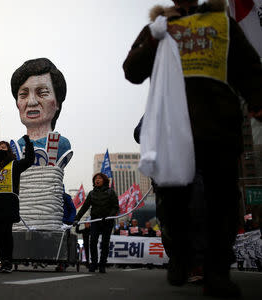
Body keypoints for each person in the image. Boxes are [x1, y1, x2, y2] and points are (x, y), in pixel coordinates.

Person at [123, 0, 262, 296]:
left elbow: (249, 68)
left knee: (221, 203)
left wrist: (258, 103)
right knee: (173, 202)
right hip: (173, 132)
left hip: (218, 127)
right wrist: (153, 36)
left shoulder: (221, 22)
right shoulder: (159, 27)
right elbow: (132, 70)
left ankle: (216, 272)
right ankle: (180, 256)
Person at [0, 138, 35, 273]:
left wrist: (29, 144)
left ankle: (8, 262)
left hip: (7, 203)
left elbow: (30, 160)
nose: (1, 149)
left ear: (9, 151)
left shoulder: (14, 165)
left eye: (4, 147)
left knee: (6, 232)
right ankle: (3, 261)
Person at [11, 58, 71, 160]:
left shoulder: (61, 145)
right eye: (23, 95)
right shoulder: (14, 149)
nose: (32, 102)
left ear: (57, 102)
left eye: (42, 93)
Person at [73, 173, 119, 273]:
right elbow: (84, 207)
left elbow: (116, 207)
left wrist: (109, 216)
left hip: (107, 221)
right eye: (95, 179)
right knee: (93, 242)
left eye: (99, 178)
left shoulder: (111, 192)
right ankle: (93, 264)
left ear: (104, 180)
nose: (97, 180)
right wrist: (76, 219)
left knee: (105, 244)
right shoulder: (91, 193)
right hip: (95, 221)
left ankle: (102, 264)